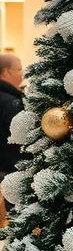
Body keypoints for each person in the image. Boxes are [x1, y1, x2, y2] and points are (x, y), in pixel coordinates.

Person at [0, 53, 24, 226]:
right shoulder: (11, 103)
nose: (22, 73)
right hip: (10, 172)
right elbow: (21, 139)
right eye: (19, 69)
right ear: (6, 72)